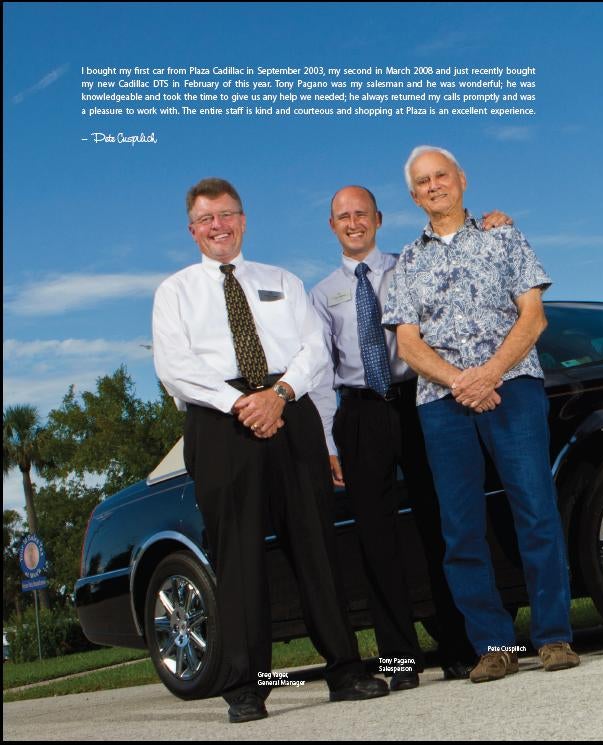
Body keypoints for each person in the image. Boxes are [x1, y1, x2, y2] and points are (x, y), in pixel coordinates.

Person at [152, 178, 388, 723]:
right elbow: (175, 367)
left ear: (243, 220)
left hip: (290, 411)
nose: (219, 226)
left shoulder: (282, 280)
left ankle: (345, 671)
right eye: (208, 219)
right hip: (219, 424)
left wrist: (278, 395)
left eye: (228, 215)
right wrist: (241, 404)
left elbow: (313, 349)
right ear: (193, 230)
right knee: (237, 557)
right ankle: (245, 687)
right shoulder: (175, 293)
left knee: (317, 546)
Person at [383, 146, 580, 684]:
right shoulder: (407, 263)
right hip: (442, 404)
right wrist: (460, 382)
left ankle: (554, 636)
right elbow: (407, 343)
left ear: (461, 180)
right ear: (413, 195)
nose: (433, 186)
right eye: (422, 181)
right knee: (461, 527)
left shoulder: (503, 237)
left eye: (440, 175)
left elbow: (533, 317)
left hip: (512, 387)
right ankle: (493, 645)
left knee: (534, 508)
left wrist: (490, 373)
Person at [306, 185, 512, 689]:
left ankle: (462, 649)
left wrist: (493, 226)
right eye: (342, 216)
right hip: (359, 413)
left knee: (443, 520)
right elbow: (321, 373)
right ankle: (400, 662)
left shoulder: (411, 263)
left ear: (377, 218)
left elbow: (456, 254)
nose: (353, 222)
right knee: (375, 538)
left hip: (420, 399)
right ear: (332, 226)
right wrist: (331, 443)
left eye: (361, 213)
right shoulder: (321, 292)